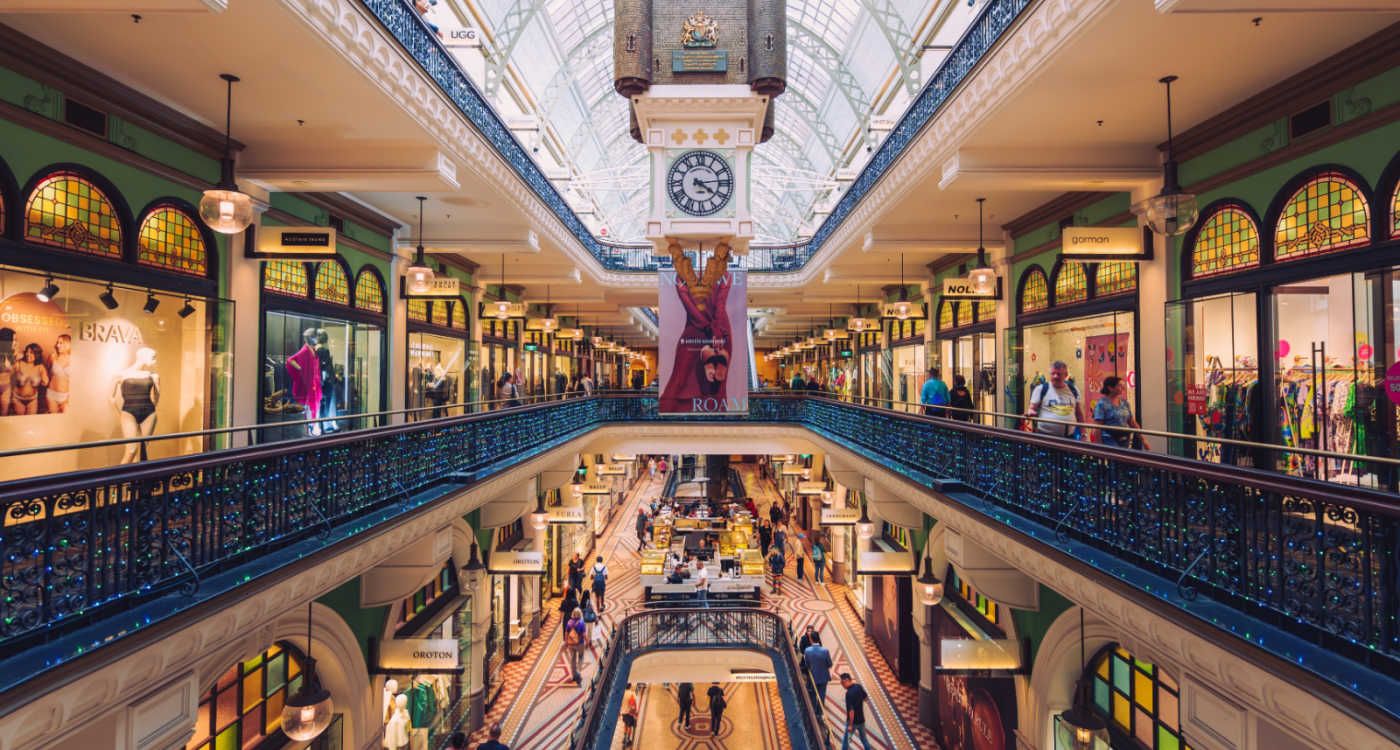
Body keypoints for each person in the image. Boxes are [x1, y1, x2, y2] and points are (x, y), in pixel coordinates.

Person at [1027, 360, 1083, 438]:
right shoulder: (1041, 389)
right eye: (1053, 373)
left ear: (1066, 375)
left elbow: (1079, 413)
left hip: (1069, 438)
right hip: (1044, 437)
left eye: (1059, 374)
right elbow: (1031, 409)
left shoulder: (1073, 389)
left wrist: (1084, 434)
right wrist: (1031, 412)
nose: (1055, 376)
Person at [1094, 375, 1149, 449]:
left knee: (1123, 457)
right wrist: (1099, 446)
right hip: (1109, 438)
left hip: (1124, 437)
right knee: (1117, 458)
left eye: (1123, 386)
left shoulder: (1124, 403)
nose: (1123, 388)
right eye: (1120, 386)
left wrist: (1143, 440)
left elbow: (1132, 422)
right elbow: (1098, 427)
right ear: (1110, 388)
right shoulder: (1102, 404)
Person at [839, 673, 871, 749]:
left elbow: (851, 711)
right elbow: (866, 698)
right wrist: (859, 701)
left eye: (842, 683)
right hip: (861, 720)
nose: (842, 685)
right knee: (864, 739)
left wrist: (850, 724)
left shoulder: (848, 694)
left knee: (846, 741)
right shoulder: (858, 686)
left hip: (853, 722)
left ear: (847, 681)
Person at [804, 634, 834, 702]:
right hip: (824, 676)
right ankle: (820, 710)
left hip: (813, 676)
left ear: (811, 639)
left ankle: (814, 709)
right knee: (822, 694)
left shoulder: (807, 651)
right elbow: (830, 664)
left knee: (813, 694)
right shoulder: (825, 650)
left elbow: (807, 665)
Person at [564, 607, 587, 683]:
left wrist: (566, 641)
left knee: (572, 659)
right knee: (581, 657)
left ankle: (574, 674)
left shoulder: (569, 622)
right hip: (579, 643)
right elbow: (584, 634)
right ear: (580, 614)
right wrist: (587, 641)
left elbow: (566, 632)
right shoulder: (581, 623)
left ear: (573, 614)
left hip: (571, 644)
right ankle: (579, 671)